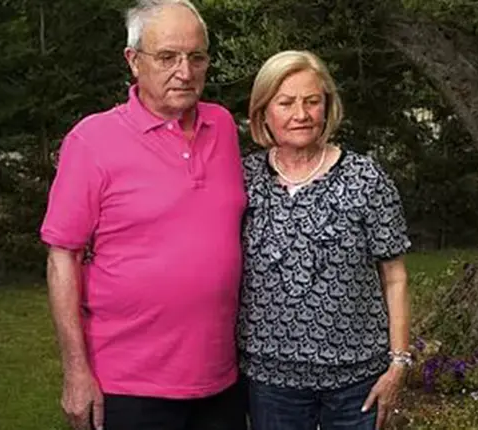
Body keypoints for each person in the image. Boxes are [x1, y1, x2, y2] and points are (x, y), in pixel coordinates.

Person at [40, 1, 247, 429]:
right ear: (134, 61)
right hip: (128, 386)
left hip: (220, 382)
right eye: (168, 57)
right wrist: (76, 372)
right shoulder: (92, 141)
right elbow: (63, 257)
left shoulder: (223, 127)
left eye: (196, 57)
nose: (185, 72)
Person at [238, 50, 413, 430]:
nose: (300, 114)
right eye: (286, 103)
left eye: (312, 101)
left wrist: (399, 363)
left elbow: (395, 276)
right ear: (263, 113)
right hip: (270, 382)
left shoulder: (365, 178)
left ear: (327, 107)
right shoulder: (242, 179)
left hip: (357, 381)